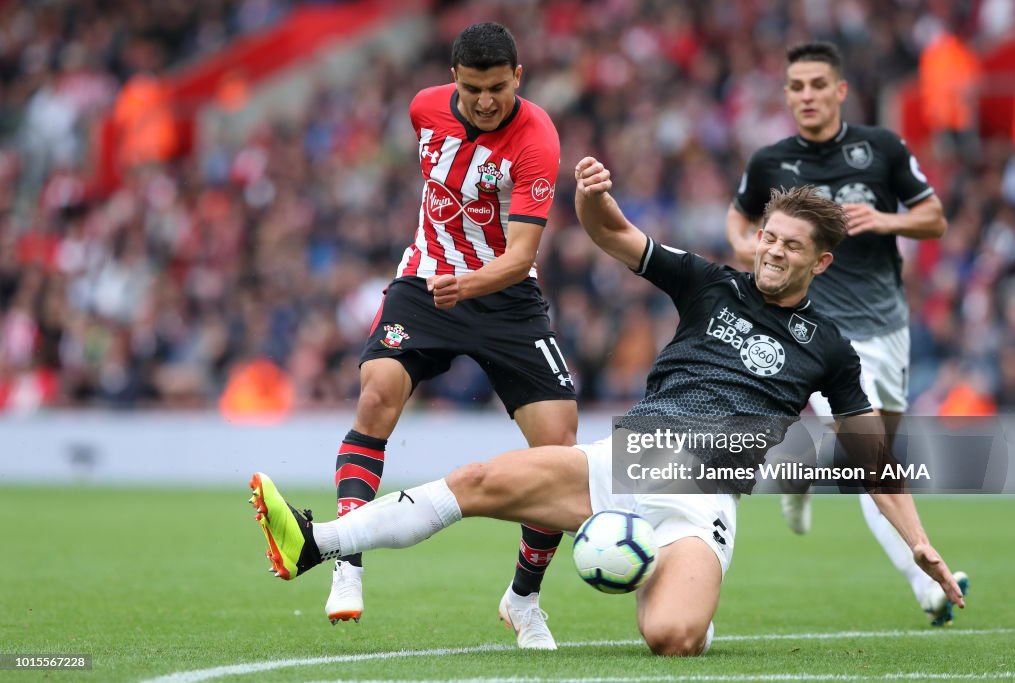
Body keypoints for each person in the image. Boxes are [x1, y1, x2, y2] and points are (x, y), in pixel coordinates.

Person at [249, 164, 966, 657]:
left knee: (672, 640)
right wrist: (593, 196)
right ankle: (319, 541)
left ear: (822, 262)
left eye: (790, 246)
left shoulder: (831, 350)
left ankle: (674, 581)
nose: (772, 252)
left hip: (702, 499)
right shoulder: (711, 282)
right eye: (769, 238)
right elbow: (616, 235)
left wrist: (919, 543)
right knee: (477, 481)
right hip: (631, 456)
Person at [326, 22, 577, 649]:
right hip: (426, 278)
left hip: (503, 295)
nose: (485, 101)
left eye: (496, 88)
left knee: (559, 450)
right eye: (472, 89)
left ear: (518, 77)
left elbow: (521, 256)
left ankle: (523, 598)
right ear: (452, 79)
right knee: (377, 391)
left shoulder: (538, 139)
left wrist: (467, 285)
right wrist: (446, 277)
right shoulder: (423, 108)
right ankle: (348, 557)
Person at [724, 41, 967, 626]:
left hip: (885, 327)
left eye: (816, 85)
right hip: (813, 328)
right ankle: (928, 583)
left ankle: (799, 472)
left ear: (839, 91)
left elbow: (934, 217)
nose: (806, 95)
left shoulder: (880, 149)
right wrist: (747, 248)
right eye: (796, 86)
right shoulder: (770, 162)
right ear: (786, 95)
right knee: (871, 464)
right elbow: (739, 218)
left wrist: (887, 219)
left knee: (875, 454)